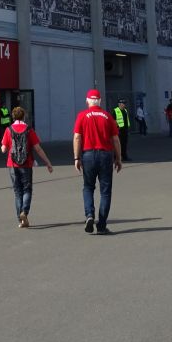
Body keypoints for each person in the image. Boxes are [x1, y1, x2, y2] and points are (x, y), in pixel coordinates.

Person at [73, 88, 122, 235]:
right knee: (105, 191)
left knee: (88, 187)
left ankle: (89, 215)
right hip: (106, 155)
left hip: (88, 155)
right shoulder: (107, 116)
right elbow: (115, 140)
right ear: (100, 101)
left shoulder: (82, 115)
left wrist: (76, 157)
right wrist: (118, 158)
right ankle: (101, 225)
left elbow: (77, 137)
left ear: (87, 101)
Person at [0, 106, 53, 228]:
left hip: (12, 164)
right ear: (24, 116)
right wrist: (48, 163)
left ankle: (21, 219)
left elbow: (3, 149)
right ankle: (25, 212)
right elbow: (38, 148)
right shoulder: (29, 130)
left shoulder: (8, 130)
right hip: (26, 163)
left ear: (13, 116)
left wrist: (5, 146)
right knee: (27, 189)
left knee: (17, 192)